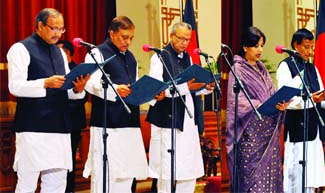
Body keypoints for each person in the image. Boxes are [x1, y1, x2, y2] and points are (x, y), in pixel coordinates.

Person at [6, 8, 89, 193]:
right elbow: (15, 86)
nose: (58, 33)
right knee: (27, 182)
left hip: (60, 126)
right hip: (33, 126)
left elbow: (66, 89)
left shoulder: (59, 53)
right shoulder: (20, 48)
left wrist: (77, 88)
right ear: (40, 25)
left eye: (61, 29)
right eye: (54, 28)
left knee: (57, 183)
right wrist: (45, 83)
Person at [146, 22, 213, 193]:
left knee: (187, 170)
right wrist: (185, 88)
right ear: (171, 36)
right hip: (167, 121)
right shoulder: (159, 56)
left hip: (187, 120)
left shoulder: (188, 58)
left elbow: (190, 89)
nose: (184, 43)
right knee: (167, 173)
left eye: (187, 40)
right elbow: (157, 88)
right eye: (180, 38)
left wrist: (205, 87)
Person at [83, 16, 148, 193]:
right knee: (106, 175)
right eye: (124, 37)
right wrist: (115, 91)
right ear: (112, 33)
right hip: (107, 122)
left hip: (129, 121)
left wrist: (147, 93)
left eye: (131, 38)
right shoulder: (97, 53)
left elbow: (133, 85)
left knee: (127, 175)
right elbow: (89, 83)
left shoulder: (131, 57)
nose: (128, 42)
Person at [276, 28, 325, 193]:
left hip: (313, 130)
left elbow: (321, 100)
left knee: (310, 178)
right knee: (296, 177)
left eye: (312, 47)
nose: (310, 51)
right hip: (296, 130)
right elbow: (287, 101)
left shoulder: (313, 69)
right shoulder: (286, 67)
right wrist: (310, 100)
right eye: (306, 47)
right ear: (295, 45)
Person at [225, 26, 290, 192]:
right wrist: (258, 105)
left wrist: (279, 104)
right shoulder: (238, 69)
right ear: (245, 47)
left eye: (262, 45)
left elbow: (271, 93)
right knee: (253, 182)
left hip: (268, 132)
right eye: (255, 46)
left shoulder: (262, 69)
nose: (260, 49)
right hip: (251, 135)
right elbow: (235, 100)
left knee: (270, 179)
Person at [56, 40, 88, 192]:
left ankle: (69, 190)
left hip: (72, 123)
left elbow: (82, 96)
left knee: (68, 161)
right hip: (54, 122)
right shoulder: (54, 68)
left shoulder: (77, 70)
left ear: (67, 53)